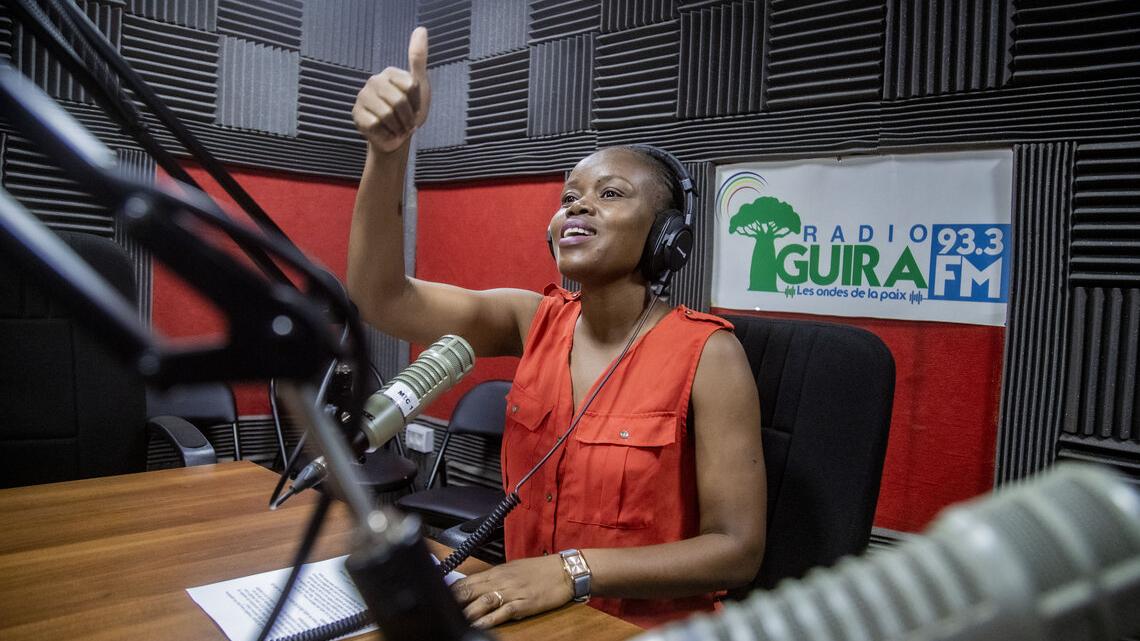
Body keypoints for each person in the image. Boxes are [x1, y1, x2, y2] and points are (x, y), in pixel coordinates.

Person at [347, 27, 767, 630]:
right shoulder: (531, 320)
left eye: (610, 194)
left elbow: (737, 550)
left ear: (666, 237)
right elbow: (381, 298)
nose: (578, 206)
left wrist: (573, 569)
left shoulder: (709, 353)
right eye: (570, 196)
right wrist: (388, 155)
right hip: (532, 616)